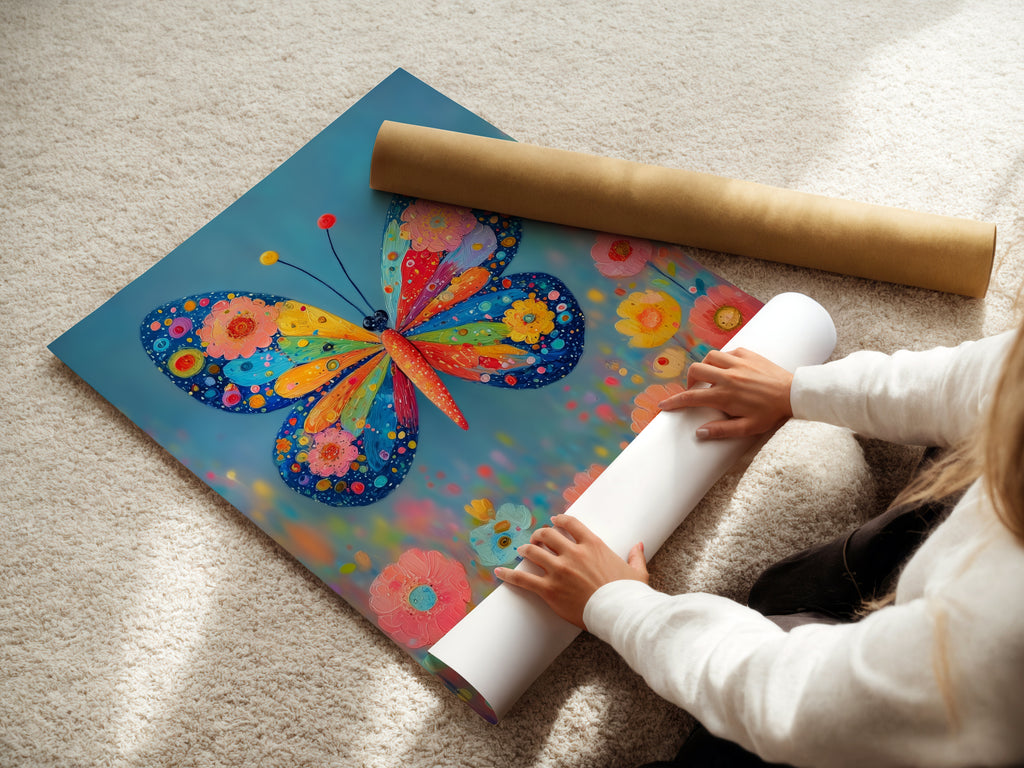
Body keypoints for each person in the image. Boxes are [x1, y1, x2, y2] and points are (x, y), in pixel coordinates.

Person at [495, 325, 1024, 767]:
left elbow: (794, 701)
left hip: (945, 717)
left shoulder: (998, 638)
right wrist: (797, 390)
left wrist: (618, 604)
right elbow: (983, 378)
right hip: (951, 607)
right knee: (788, 591)